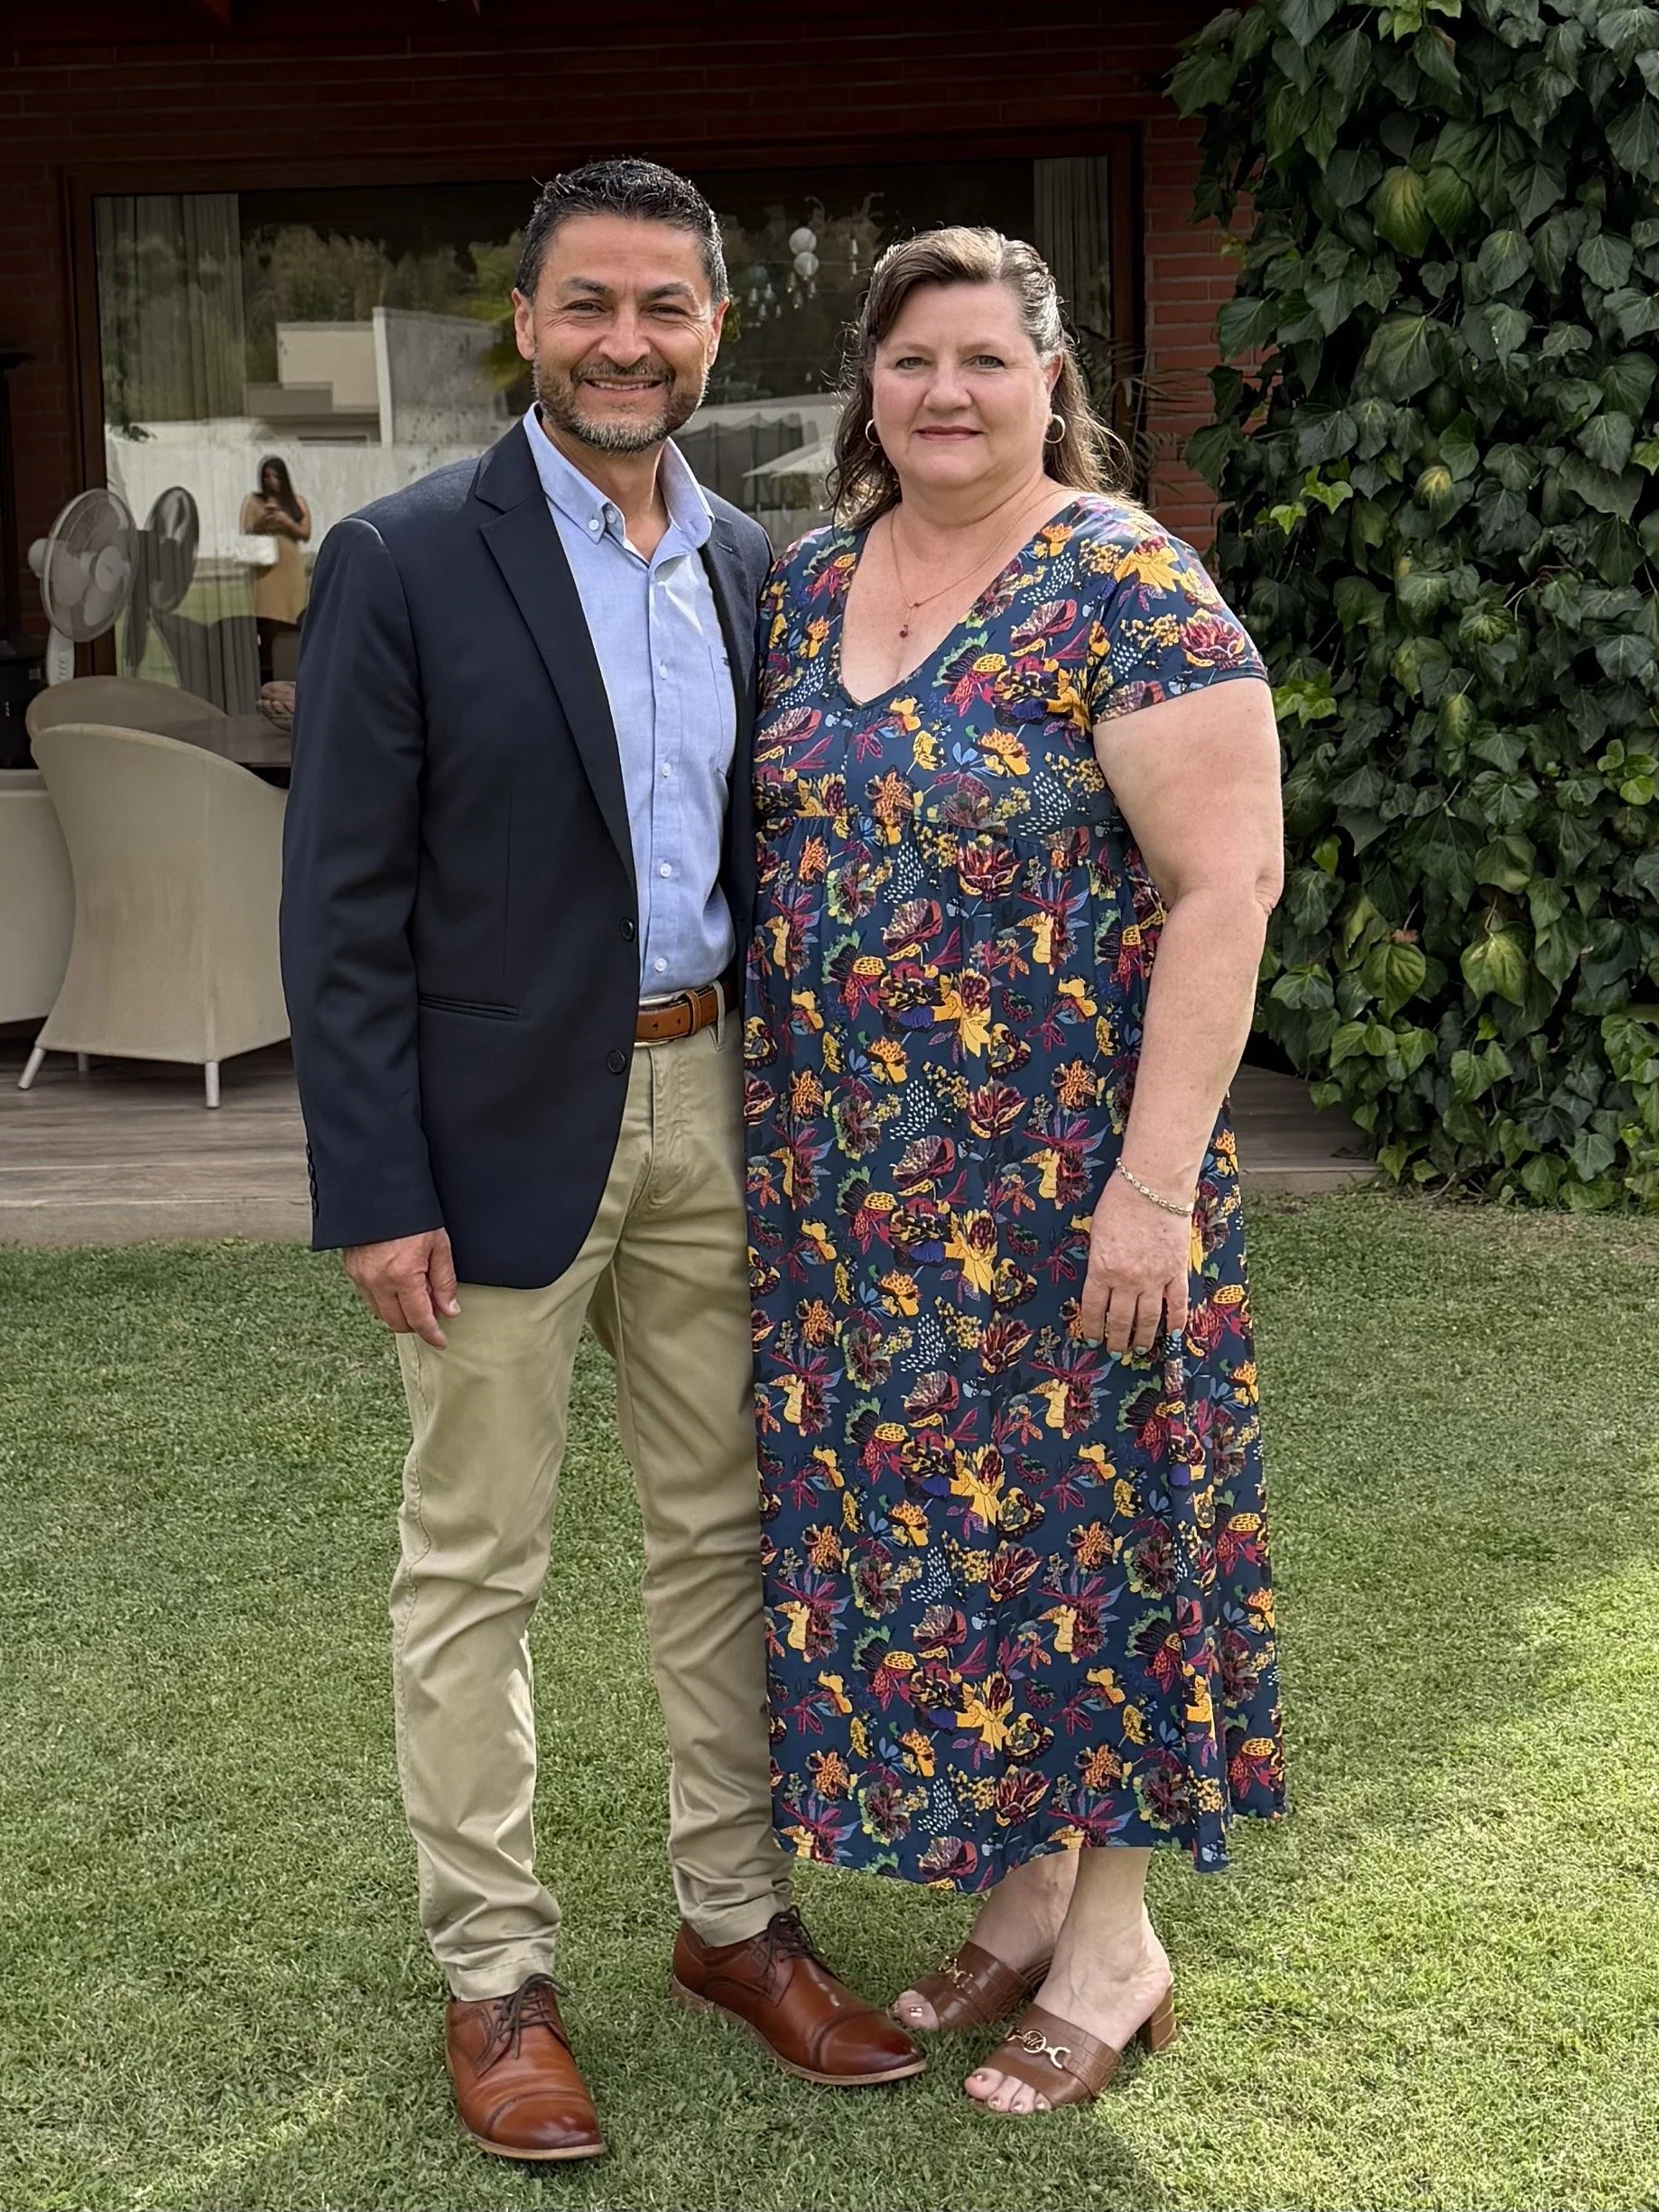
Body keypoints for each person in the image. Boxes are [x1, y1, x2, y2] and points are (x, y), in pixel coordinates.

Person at [280, 160, 922, 2168]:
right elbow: (339, 907)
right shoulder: (401, 559)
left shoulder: (758, 561)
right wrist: (377, 1182)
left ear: (717, 326)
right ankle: (497, 1975)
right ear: (527, 325)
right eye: (588, 305)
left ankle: (733, 1924)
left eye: (663, 307)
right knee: (475, 1560)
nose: (624, 343)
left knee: (722, 1533)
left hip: (716, 1095)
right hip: (488, 1141)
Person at [746, 226, 1286, 2116]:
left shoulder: (1123, 583)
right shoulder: (807, 581)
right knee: (960, 1549)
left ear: (1050, 380)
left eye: (985, 358)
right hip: (855, 1199)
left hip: (1069, 1179)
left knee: (1098, 1534)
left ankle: (1116, 1942)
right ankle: (1026, 1887)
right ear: (866, 387)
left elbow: (1224, 887)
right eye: (911, 361)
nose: (946, 393)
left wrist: (1153, 1185)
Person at [240, 456, 311, 681]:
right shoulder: (253, 501)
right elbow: (246, 529)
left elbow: (305, 532)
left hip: (290, 567)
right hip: (266, 567)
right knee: (268, 618)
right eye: (266, 476)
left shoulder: (296, 501)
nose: (270, 481)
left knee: (291, 617)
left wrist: (285, 520)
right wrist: (264, 518)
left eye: (275, 476)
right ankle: (268, 668)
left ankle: (292, 668)